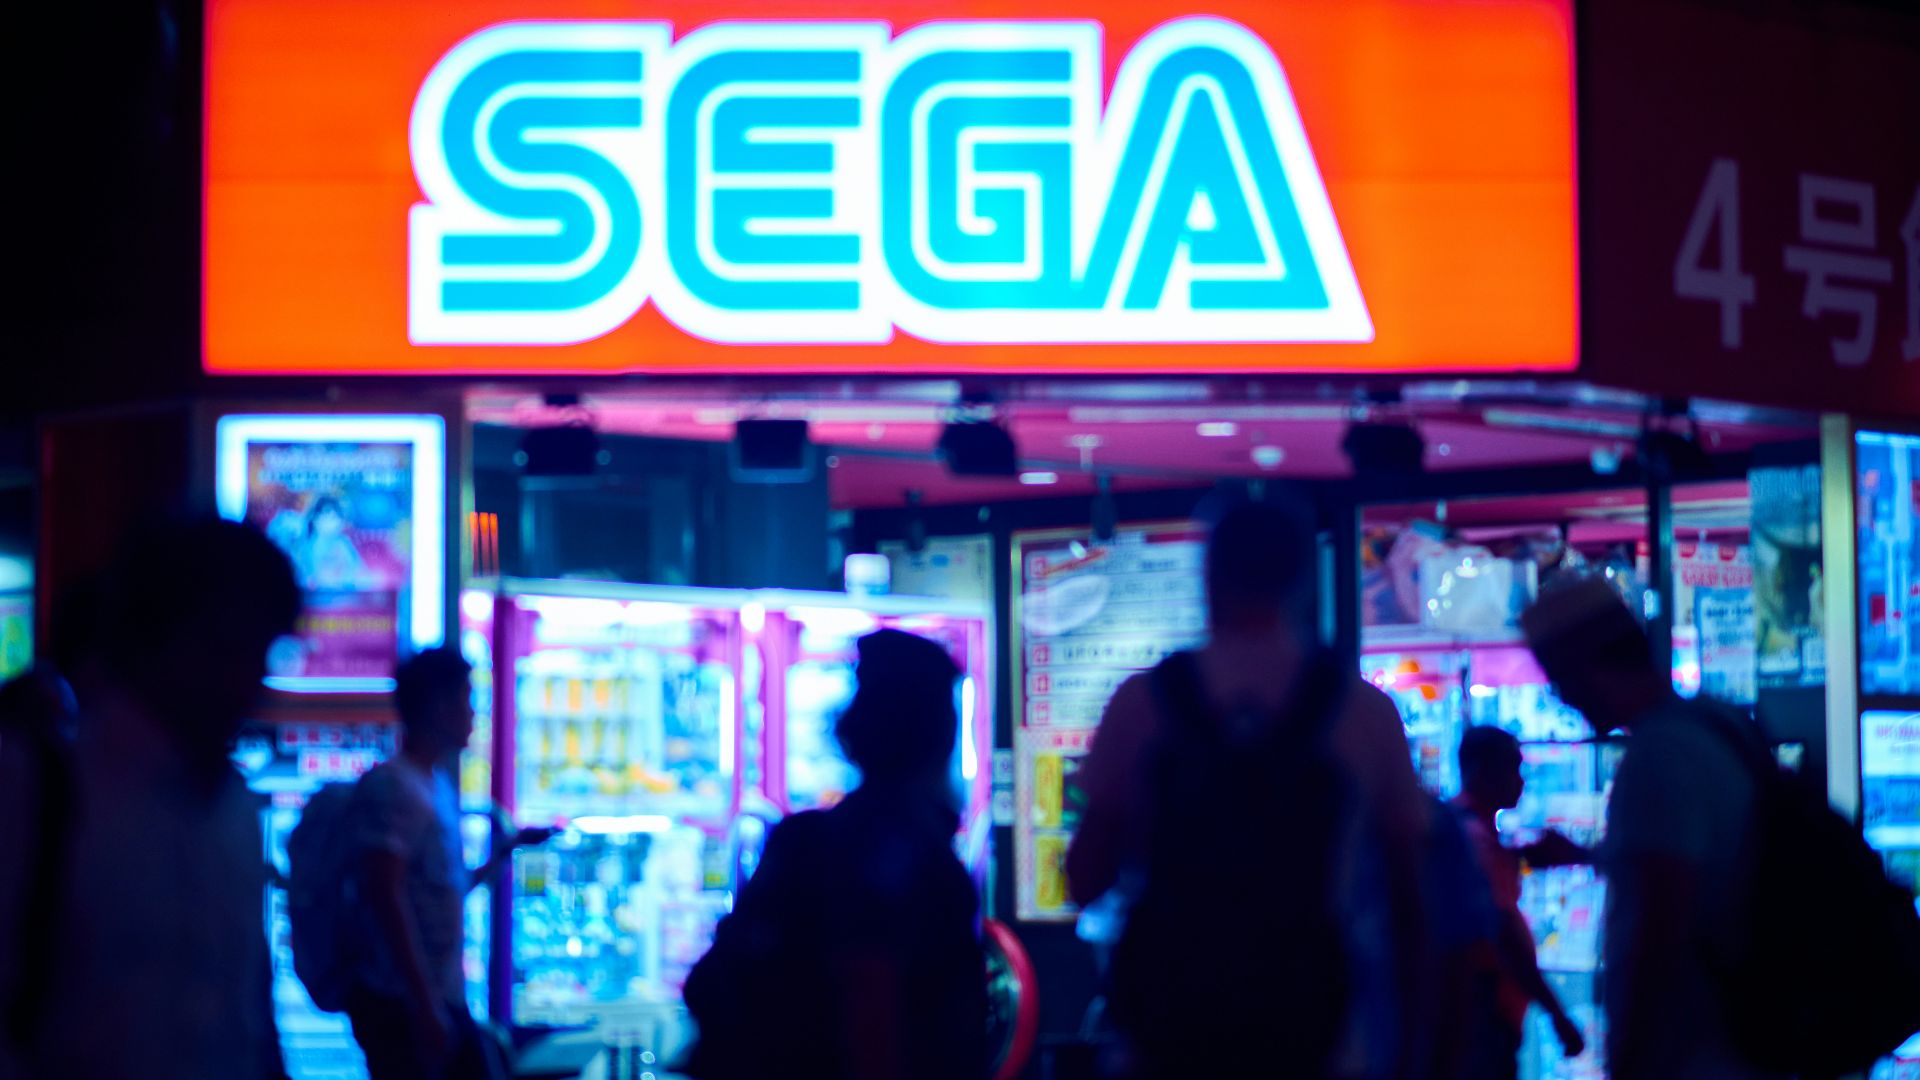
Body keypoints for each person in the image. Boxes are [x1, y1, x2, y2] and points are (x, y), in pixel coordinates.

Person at [1066, 499, 1439, 1080]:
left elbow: (1085, 879)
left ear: (1208, 571)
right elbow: (1410, 908)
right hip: (1311, 1033)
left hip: (1168, 1034)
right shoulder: (1362, 711)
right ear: (1300, 579)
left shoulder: (1143, 703)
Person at [0, 517, 301, 1080]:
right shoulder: (38, 791)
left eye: (263, 650)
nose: (249, 679)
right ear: (149, 640)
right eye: (225, 648)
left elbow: (246, 1008)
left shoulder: (233, 807)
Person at [684, 628, 989, 1080]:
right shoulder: (924, 862)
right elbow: (881, 1014)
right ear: (940, 734)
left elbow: (708, 985)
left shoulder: (802, 840)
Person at [1521, 576, 1780, 1080]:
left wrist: (1632, 1058)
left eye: (1559, 678)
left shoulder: (1656, 757)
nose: (1561, 697)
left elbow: (1662, 922)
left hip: (1693, 1052)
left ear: (1589, 667)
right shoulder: (1718, 723)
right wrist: (1592, 857)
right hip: (1743, 1040)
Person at [346, 646, 547, 1080]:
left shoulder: (434, 786)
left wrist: (505, 853)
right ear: (437, 706)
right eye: (465, 700)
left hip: (434, 999)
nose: (473, 714)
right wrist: (424, 1004)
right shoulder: (395, 788)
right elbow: (383, 893)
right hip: (402, 1003)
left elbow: (440, 893)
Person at [1452, 726, 1588, 1079]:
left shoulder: (1465, 831)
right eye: (1512, 768)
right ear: (1480, 770)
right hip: (1482, 1019)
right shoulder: (1475, 840)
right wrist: (1558, 1015)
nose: (1521, 781)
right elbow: (1504, 934)